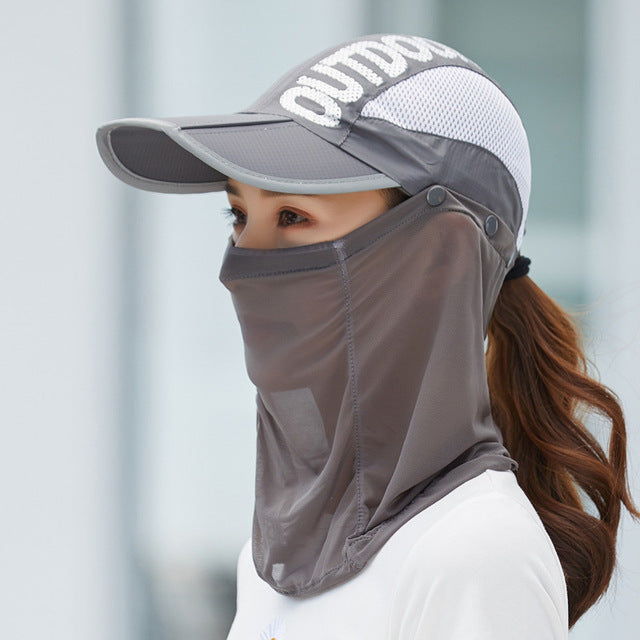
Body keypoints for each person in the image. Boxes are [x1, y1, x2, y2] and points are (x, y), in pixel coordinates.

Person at [96, 34, 640, 639]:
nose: (244, 261)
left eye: (293, 216)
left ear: (436, 257)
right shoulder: (272, 563)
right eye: (238, 215)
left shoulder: (475, 554)